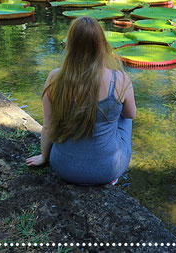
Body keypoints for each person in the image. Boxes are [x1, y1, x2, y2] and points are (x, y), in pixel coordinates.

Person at [26, 17, 136, 185]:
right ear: (102, 44)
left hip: (63, 167)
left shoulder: (55, 77)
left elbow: (48, 125)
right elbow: (131, 114)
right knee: (125, 116)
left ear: (70, 43)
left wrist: (44, 157)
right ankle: (107, 168)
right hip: (108, 170)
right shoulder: (119, 78)